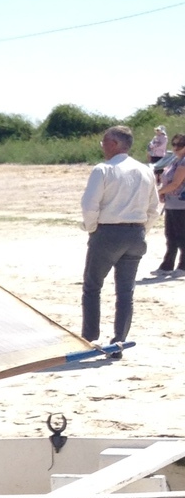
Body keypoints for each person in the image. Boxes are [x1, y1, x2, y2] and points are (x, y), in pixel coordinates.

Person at [80, 125, 159, 346]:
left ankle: (89, 336)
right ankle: (119, 339)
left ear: (114, 144)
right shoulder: (145, 170)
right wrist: (142, 230)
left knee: (92, 286)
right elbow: (154, 209)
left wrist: (92, 228)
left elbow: (89, 205)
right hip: (136, 233)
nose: (102, 146)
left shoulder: (103, 169)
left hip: (108, 232)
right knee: (125, 291)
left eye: (104, 142)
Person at [154, 133, 185, 275]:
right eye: (174, 144)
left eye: (180, 145)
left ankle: (183, 266)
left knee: (181, 236)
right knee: (170, 236)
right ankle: (167, 265)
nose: (176, 148)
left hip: (181, 204)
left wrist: (158, 192)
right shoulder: (175, 160)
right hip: (172, 203)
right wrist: (163, 193)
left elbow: (176, 183)